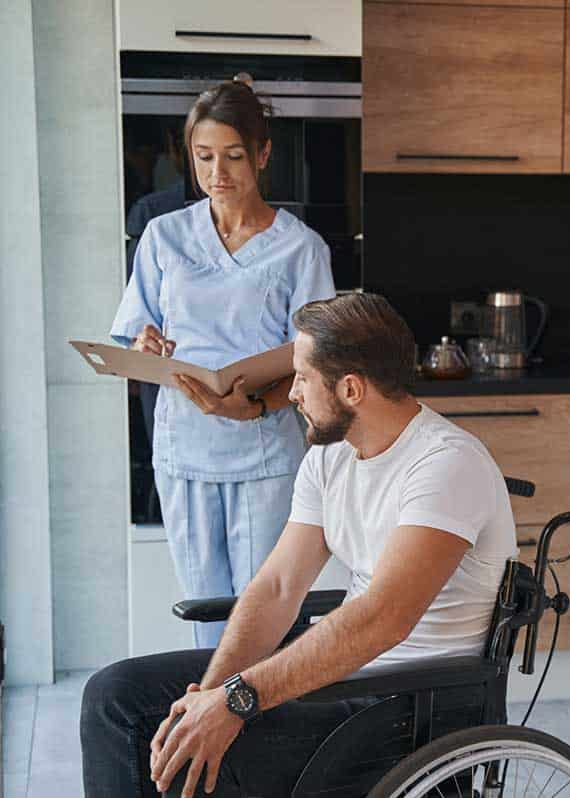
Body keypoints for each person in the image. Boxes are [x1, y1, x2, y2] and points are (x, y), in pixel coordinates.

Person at [82, 293, 519, 798]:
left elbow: (383, 619)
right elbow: (277, 588)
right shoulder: (332, 456)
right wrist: (211, 693)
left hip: (406, 709)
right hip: (348, 681)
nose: (291, 393)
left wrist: (237, 701)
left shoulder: (445, 465)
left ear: (351, 388)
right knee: (115, 697)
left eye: (303, 378)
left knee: (177, 753)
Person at [110, 79, 336, 648]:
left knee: (267, 612)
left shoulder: (301, 248)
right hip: (183, 451)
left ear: (262, 154)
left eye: (234, 156)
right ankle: (219, 723)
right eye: (204, 157)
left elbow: (315, 360)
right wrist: (146, 345)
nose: (218, 172)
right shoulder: (164, 236)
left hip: (264, 450)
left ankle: (276, 729)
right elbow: (135, 332)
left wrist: (254, 404)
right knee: (208, 618)